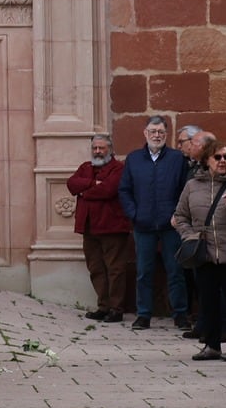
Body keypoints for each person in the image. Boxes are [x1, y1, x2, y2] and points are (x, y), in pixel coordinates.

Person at [171, 142, 226, 361]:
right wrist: (189, 236)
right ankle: (212, 345)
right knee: (208, 300)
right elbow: (181, 216)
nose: (223, 161)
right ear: (207, 160)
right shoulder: (192, 186)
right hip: (204, 252)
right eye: (218, 157)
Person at [117, 115, 189, 330]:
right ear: (145, 133)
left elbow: (186, 190)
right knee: (144, 272)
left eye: (160, 132)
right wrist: (134, 214)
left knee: (176, 271)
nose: (156, 135)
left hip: (171, 225)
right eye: (153, 131)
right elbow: (124, 190)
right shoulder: (134, 159)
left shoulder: (177, 159)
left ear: (166, 135)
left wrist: (179, 214)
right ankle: (144, 315)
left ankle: (181, 314)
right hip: (143, 225)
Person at [67, 133, 133, 323]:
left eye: (101, 148)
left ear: (110, 149)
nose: (97, 151)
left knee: (115, 269)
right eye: (95, 148)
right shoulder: (85, 167)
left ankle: (116, 308)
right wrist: (90, 184)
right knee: (96, 268)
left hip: (112, 227)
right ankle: (103, 306)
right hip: (89, 227)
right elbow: (71, 184)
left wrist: (84, 191)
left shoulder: (118, 168)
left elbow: (108, 190)